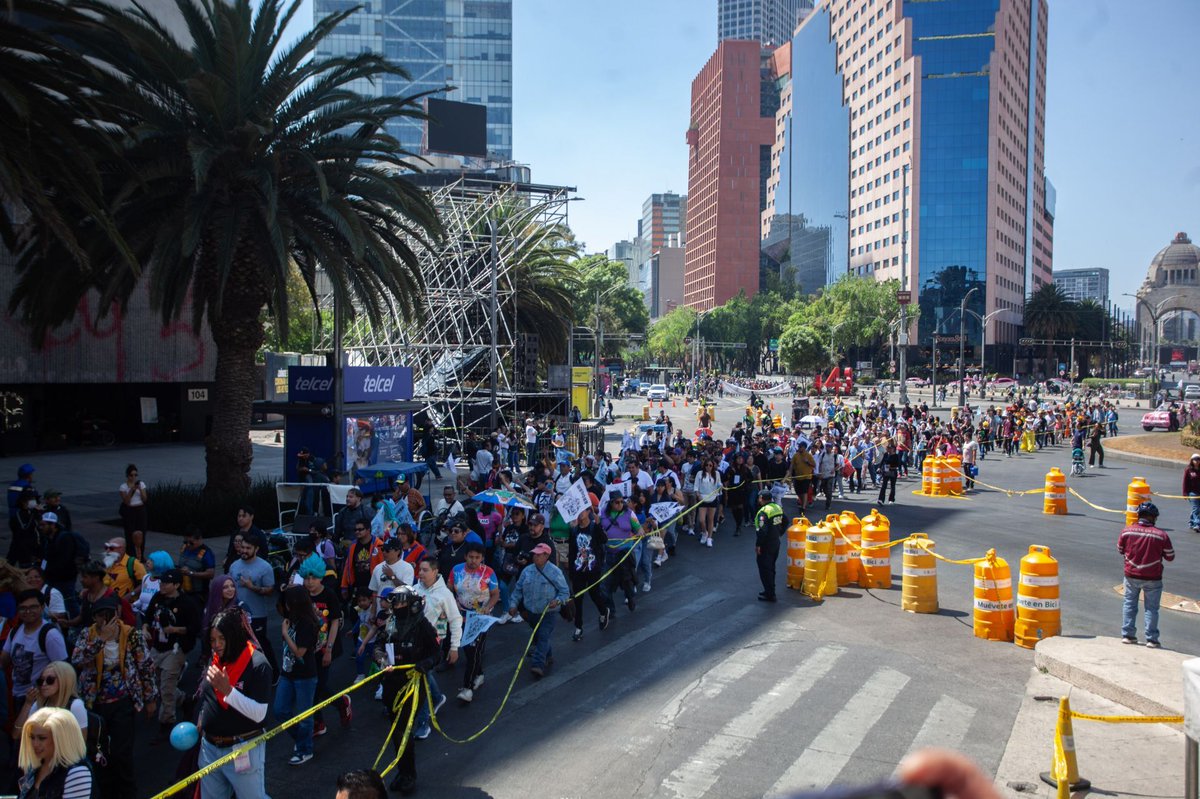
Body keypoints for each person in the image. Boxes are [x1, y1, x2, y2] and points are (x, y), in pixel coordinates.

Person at [70, 595, 157, 799]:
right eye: (101, 615)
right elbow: (77, 659)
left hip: (123, 701)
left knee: (122, 752)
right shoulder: (88, 635)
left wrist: (150, 698)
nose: (106, 619)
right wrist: (100, 641)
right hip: (95, 703)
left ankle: (127, 792)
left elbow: (145, 666)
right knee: (99, 752)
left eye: (110, 614)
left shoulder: (131, 635)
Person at [197, 608, 273, 799]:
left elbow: (259, 714)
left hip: (242, 748)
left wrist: (228, 691)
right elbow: (208, 694)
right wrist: (202, 715)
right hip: (210, 748)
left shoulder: (258, 664)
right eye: (213, 640)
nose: (217, 645)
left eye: (222, 639)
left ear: (234, 636)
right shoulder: (215, 660)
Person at [373, 586, 440, 796]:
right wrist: (381, 660)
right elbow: (378, 646)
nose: (397, 607)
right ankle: (402, 771)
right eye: (395, 603)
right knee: (395, 730)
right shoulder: (390, 623)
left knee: (404, 731)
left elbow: (437, 652)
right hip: (391, 683)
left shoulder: (423, 626)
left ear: (412, 605)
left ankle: (410, 774)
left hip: (413, 684)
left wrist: (426, 663)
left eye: (402, 603)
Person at [141, 569, 200, 738]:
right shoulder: (158, 598)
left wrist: (174, 629)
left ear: (176, 585)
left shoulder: (187, 603)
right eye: (161, 583)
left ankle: (167, 722)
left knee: (166, 688)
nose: (162, 586)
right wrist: (145, 628)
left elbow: (194, 628)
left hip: (176, 649)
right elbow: (148, 616)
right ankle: (184, 700)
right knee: (158, 681)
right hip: (157, 647)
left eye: (166, 583)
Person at [275, 586, 321, 766]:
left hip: (305, 676)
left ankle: (305, 749)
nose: (285, 606)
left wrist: (285, 634)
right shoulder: (290, 618)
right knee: (280, 711)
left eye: (288, 602)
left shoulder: (307, 624)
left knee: (304, 717)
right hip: (287, 673)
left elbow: (300, 652)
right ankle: (301, 740)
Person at [1, 590, 69, 711]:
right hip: (18, 696)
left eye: (33, 607)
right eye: (23, 608)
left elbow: (64, 671)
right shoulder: (15, 631)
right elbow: (3, 661)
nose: (28, 611)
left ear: (42, 607)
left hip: (41, 700)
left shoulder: (50, 635)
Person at [508, 543, 568, 679]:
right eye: (534, 554)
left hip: (548, 613)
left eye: (539, 554)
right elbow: (518, 590)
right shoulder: (527, 571)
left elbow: (565, 592)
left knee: (543, 635)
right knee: (542, 636)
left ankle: (538, 664)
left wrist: (557, 601)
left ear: (546, 556)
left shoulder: (555, 572)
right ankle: (548, 654)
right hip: (532, 612)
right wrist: (513, 605)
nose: (535, 557)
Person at [1118, 502, 1174, 648]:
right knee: (1151, 609)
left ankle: (1128, 635)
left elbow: (1120, 549)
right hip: (1153, 577)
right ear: (1153, 518)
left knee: (1129, 604)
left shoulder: (1127, 531)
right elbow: (1170, 556)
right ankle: (1152, 639)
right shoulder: (1161, 535)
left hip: (1131, 574)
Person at [448, 543, 498, 704]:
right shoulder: (456, 570)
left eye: (477, 557)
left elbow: (495, 594)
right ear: (465, 556)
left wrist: (488, 608)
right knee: (468, 650)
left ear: (482, 558)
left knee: (474, 650)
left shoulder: (489, 573)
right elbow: (449, 589)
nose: (473, 561)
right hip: (460, 617)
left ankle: (467, 688)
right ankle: (479, 674)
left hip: (480, 619)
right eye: (471, 557)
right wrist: (451, 604)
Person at [228, 533, 278, 681]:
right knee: (239, 644)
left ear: (256, 549)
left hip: (257, 614)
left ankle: (274, 673)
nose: (244, 550)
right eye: (242, 547)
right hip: (237, 613)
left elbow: (270, 591)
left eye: (248, 548)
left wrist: (253, 587)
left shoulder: (265, 567)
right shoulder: (234, 565)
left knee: (261, 644)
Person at [15, 707, 92, 799]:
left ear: (61, 739)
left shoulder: (77, 773)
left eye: (42, 738)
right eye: (32, 737)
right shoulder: (34, 767)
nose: (34, 744)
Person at [10, 661, 88, 743]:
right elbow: (16, 735)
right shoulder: (40, 704)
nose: (44, 684)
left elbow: (81, 744)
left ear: (64, 680)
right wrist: (27, 704)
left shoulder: (75, 705)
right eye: (41, 680)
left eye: (50, 680)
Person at [566, 507, 608, 642]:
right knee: (578, 598)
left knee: (594, 594)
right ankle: (578, 627)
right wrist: (571, 570)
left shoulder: (594, 527)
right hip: (578, 569)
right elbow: (572, 551)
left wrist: (599, 525)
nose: (579, 514)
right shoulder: (574, 530)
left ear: (588, 512)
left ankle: (603, 611)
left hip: (593, 568)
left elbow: (604, 540)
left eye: (582, 511)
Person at [37, 514, 84, 620]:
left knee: (69, 601)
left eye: (43, 525)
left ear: (53, 525)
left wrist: (49, 571)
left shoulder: (64, 538)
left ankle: (75, 624)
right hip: (54, 577)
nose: (41, 527)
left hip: (64, 578)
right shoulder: (49, 538)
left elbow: (64, 560)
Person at [753, 491, 785, 602]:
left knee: (765, 569)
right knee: (771, 568)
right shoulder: (777, 507)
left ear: (761, 498)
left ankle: (770, 594)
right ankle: (769, 590)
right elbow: (786, 521)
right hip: (776, 543)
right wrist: (779, 532)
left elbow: (762, 531)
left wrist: (758, 545)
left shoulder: (763, 512)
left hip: (766, 545)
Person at [117, 465, 148, 562]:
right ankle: (131, 555)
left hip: (140, 509)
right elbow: (126, 501)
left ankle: (141, 555)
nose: (133, 477)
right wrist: (132, 490)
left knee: (141, 532)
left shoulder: (141, 484)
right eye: (131, 475)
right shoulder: (123, 487)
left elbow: (145, 499)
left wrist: (139, 490)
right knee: (130, 533)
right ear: (127, 475)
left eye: (135, 475)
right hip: (130, 510)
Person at [178, 527, 216, 605]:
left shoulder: (206, 553)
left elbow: (211, 574)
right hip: (182, 590)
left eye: (191, 542)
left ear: (200, 539)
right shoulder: (184, 548)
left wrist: (191, 573)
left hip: (198, 594)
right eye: (185, 542)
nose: (188, 545)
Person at [223, 506, 264, 573]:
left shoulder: (258, 534)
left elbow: (264, 554)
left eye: (244, 516)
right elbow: (230, 550)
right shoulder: (235, 533)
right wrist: (227, 558)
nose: (240, 518)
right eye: (239, 516)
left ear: (251, 517)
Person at [1183, 454, 1200, 534]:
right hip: (1192, 493)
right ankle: (1197, 524)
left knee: (1197, 508)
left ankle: (1192, 522)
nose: (1197, 461)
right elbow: (1185, 482)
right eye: (1195, 460)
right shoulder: (1188, 470)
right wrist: (1184, 493)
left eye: (1198, 459)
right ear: (1192, 461)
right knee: (1196, 508)